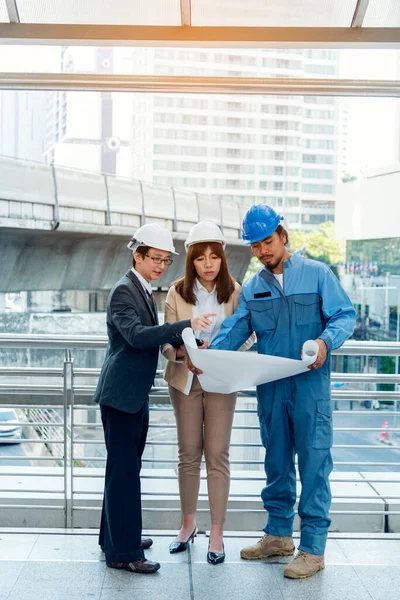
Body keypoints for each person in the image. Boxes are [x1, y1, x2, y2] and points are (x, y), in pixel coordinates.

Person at [209, 204, 356, 579]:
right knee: (275, 463)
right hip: (271, 389)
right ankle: (278, 536)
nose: (262, 251)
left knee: (314, 464)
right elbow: (236, 329)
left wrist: (325, 342)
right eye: (255, 246)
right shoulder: (254, 288)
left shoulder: (318, 274)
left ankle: (313, 549)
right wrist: (207, 354)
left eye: (267, 241)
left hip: (309, 388)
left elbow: (344, 315)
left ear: (283, 234)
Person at [93, 223, 215, 575]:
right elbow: (136, 336)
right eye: (156, 259)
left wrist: (184, 346)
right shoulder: (123, 291)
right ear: (138, 256)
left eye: (165, 260)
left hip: (132, 395)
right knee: (125, 474)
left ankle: (114, 538)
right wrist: (184, 326)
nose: (161, 266)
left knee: (124, 471)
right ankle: (123, 553)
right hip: (121, 396)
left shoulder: (142, 288)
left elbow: (148, 338)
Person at [162, 222, 254, 565]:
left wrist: (221, 353)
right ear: (191, 261)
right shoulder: (176, 292)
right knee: (188, 453)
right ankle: (187, 525)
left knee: (217, 455)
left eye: (215, 256)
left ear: (223, 259)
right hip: (186, 379)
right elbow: (167, 342)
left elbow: (248, 336)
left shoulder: (235, 291)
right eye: (201, 258)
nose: (209, 264)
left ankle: (217, 532)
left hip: (220, 380)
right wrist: (187, 353)